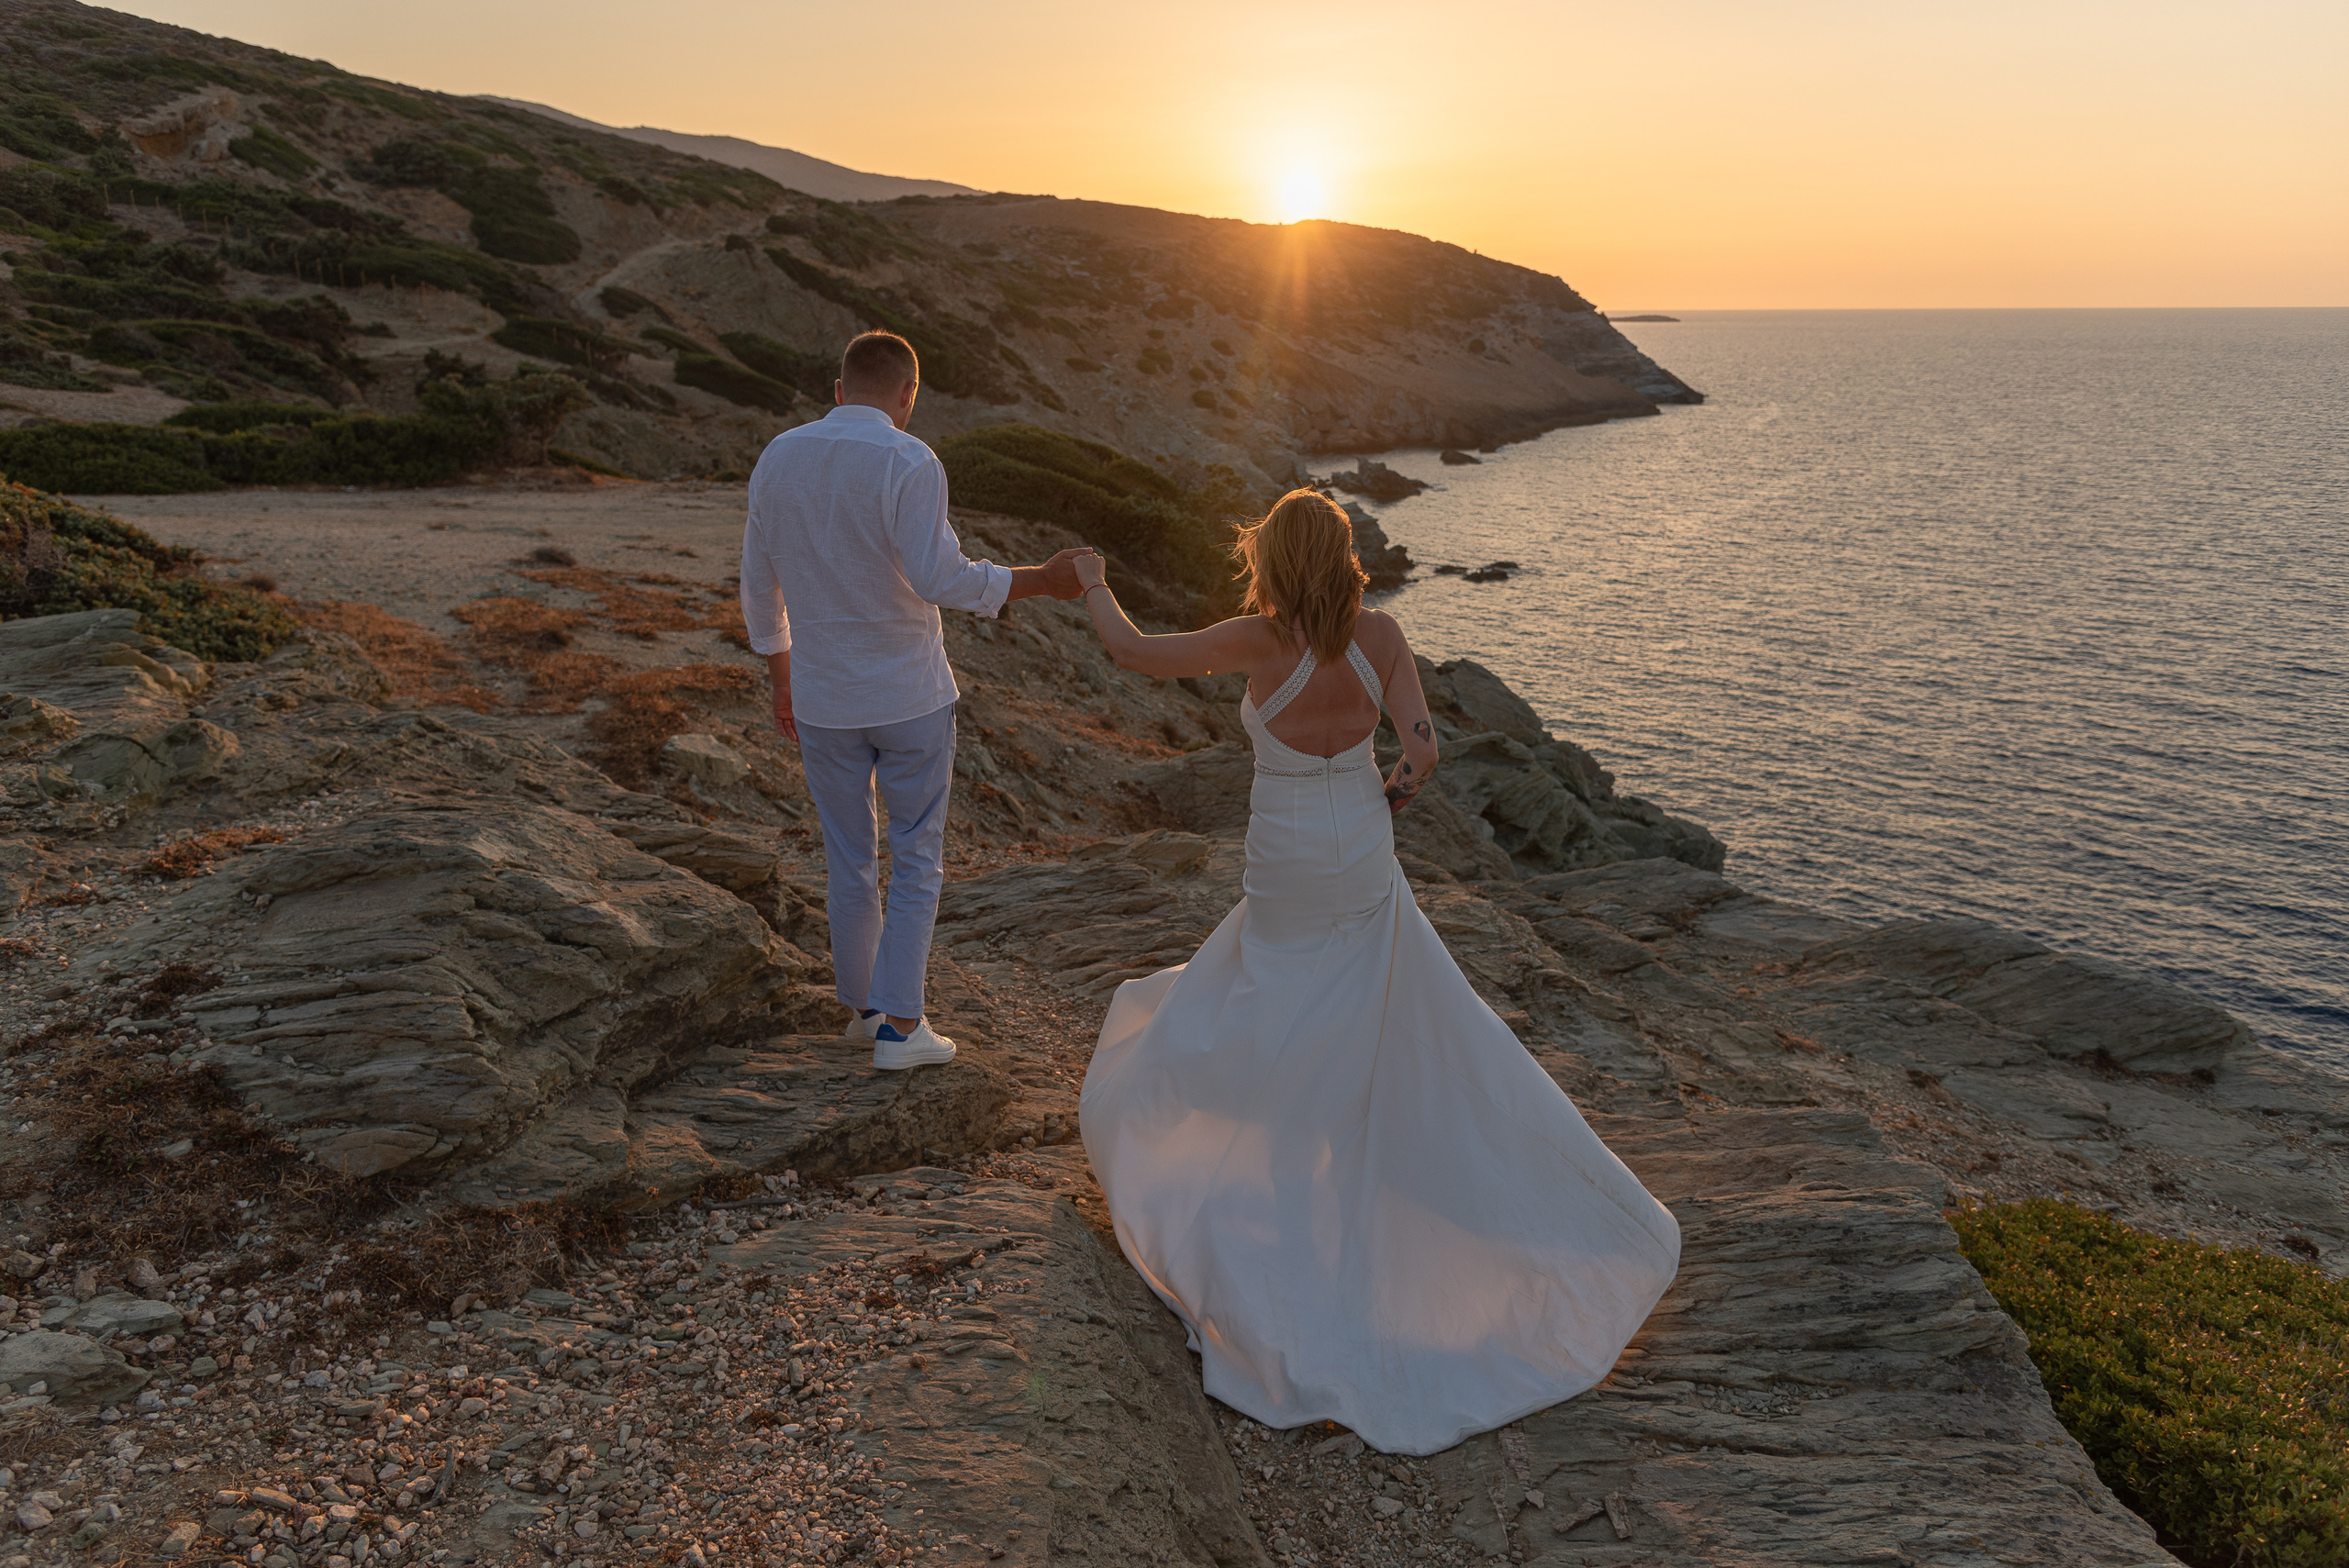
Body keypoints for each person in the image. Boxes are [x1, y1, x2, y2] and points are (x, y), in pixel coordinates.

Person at [1068, 489, 1681, 1456]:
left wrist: (1095, 582)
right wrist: (1393, 786)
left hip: (1284, 855)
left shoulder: (1255, 638)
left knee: (1269, 988)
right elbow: (1423, 749)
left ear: (1270, 558)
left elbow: (1135, 651)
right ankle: (1360, 1153)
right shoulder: (1382, 633)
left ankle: (1267, 1155)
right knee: (1358, 1001)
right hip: (1356, 843)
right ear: (1345, 555)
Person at [740, 329, 1086, 1069]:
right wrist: (1043, 578)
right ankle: (902, 1027)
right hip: (907, 695)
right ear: (909, 396)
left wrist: (780, 677)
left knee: (849, 857)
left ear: (838, 390)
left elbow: (758, 580)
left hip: (823, 697)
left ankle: (865, 1010)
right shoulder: (910, 458)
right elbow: (940, 578)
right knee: (917, 857)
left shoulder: (778, 457)